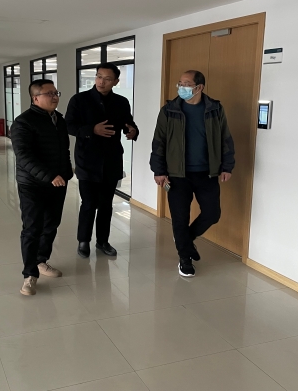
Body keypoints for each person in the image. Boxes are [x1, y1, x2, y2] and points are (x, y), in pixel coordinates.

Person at [150, 70, 235, 277]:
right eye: (180, 83)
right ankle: (184, 259)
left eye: (186, 84)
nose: (181, 87)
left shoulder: (215, 109)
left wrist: (227, 166)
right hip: (177, 175)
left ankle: (185, 240)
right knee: (180, 218)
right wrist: (159, 170)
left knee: (212, 214)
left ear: (199, 87)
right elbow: (159, 141)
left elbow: (225, 138)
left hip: (207, 173)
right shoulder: (169, 110)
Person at [66, 62, 138, 258]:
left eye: (107, 79)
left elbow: (128, 122)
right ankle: (83, 241)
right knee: (89, 203)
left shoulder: (121, 102)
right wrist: (92, 129)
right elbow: (69, 125)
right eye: (99, 76)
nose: (101, 82)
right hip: (87, 160)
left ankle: (103, 241)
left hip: (112, 160)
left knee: (106, 204)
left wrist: (132, 130)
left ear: (116, 81)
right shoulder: (79, 100)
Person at [11, 79, 73, 296]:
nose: (55, 97)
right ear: (35, 98)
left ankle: (41, 260)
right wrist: (49, 176)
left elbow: (64, 150)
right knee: (32, 228)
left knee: (51, 224)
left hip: (58, 182)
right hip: (32, 184)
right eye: (49, 94)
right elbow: (23, 155)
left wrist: (66, 172)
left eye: (56, 92)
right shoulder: (23, 122)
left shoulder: (59, 120)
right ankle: (29, 275)